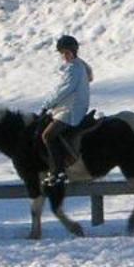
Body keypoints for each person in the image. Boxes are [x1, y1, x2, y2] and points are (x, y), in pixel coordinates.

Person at [40, 34, 94, 176]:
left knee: (47, 135)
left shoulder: (73, 69)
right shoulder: (79, 65)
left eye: (65, 52)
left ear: (72, 51)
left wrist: (46, 105)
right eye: (62, 53)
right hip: (70, 107)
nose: (64, 56)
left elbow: (63, 90)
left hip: (71, 109)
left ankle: (58, 171)